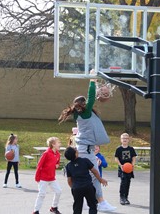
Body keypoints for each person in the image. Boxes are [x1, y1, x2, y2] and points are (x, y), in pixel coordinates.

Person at [59, 71, 116, 212]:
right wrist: (92, 81)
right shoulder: (85, 113)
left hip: (84, 148)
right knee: (94, 175)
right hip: (85, 149)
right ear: (83, 104)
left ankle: (86, 201)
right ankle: (101, 202)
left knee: (86, 175)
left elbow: (89, 99)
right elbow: (91, 98)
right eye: (85, 103)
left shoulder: (80, 115)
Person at [64, 146, 108, 214]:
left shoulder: (68, 166)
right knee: (92, 205)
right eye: (75, 149)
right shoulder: (85, 160)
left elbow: (69, 180)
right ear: (76, 154)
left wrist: (73, 188)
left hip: (76, 188)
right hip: (88, 186)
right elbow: (95, 171)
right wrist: (100, 179)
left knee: (77, 208)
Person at [33, 137, 62, 214]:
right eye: (58, 142)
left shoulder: (58, 154)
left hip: (52, 178)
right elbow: (39, 165)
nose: (60, 144)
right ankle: (36, 211)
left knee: (59, 191)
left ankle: (54, 207)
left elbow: (57, 162)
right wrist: (37, 177)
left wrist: (57, 164)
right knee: (42, 194)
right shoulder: (46, 153)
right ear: (53, 144)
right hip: (43, 178)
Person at [114, 133, 137, 205]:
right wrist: (120, 165)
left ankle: (126, 197)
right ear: (121, 140)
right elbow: (116, 158)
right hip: (122, 168)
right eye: (123, 138)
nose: (124, 139)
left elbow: (133, 157)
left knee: (128, 183)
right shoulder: (118, 149)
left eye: (126, 138)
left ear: (128, 140)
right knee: (123, 182)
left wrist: (132, 165)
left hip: (129, 168)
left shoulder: (131, 149)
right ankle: (122, 197)